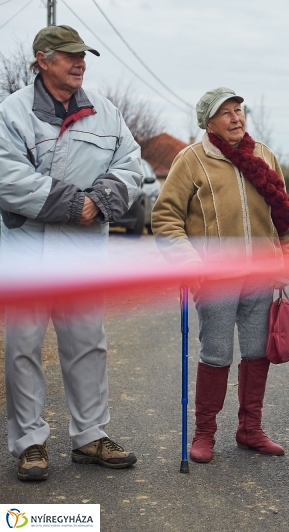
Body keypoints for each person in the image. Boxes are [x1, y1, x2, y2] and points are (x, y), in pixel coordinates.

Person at [0, 25, 142, 481]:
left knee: (87, 344)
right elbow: (7, 175)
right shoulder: (12, 112)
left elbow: (131, 165)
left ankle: (90, 436)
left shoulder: (106, 112)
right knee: (22, 346)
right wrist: (71, 204)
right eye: (68, 56)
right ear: (42, 59)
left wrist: (99, 202)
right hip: (27, 249)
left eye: (82, 55)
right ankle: (30, 443)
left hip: (82, 249)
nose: (79, 62)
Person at [151, 88, 289, 464]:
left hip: (260, 276)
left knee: (255, 353)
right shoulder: (191, 160)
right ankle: (205, 434)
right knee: (216, 354)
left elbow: (282, 211)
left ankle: (250, 429)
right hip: (215, 278)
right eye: (226, 112)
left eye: (239, 110)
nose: (236, 117)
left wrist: (286, 258)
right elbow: (165, 217)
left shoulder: (263, 155)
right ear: (208, 122)